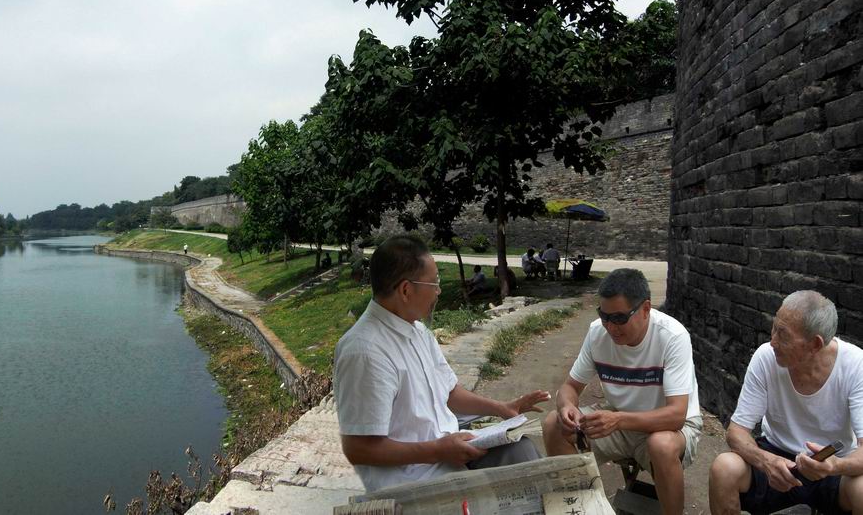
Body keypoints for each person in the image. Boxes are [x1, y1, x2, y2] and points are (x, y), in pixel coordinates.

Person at [334, 234, 550, 492]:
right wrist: (436, 451)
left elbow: (448, 393)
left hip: (447, 452)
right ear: (405, 290)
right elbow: (359, 449)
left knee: (522, 451)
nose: (438, 291)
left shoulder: (417, 330)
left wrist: (501, 408)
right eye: (434, 282)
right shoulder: (365, 352)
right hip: (415, 480)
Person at [542, 268, 702, 515]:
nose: (610, 327)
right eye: (604, 316)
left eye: (619, 318)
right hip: (619, 418)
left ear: (646, 309)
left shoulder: (672, 336)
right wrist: (567, 407)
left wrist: (618, 420)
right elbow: (570, 387)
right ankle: (582, 507)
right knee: (554, 424)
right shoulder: (598, 333)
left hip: (669, 428)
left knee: (661, 445)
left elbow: (676, 414)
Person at [708, 291, 863, 515]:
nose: (773, 342)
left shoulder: (855, 365)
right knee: (724, 469)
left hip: (831, 464)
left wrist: (834, 466)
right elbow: (736, 432)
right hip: (776, 454)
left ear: (815, 344)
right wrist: (766, 462)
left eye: (783, 335)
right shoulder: (766, 357)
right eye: (774, 328)